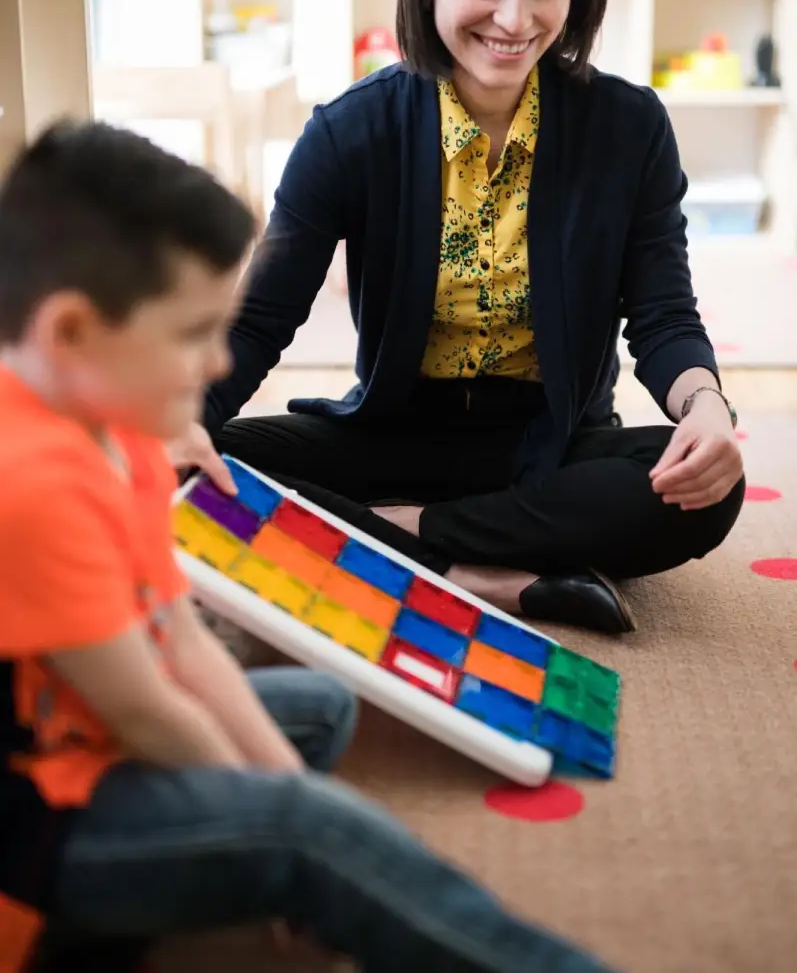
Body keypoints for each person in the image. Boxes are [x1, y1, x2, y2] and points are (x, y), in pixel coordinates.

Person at [0, 121, 613, 973]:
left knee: (317, 712)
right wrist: (281, 828)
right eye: (191, 334)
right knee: (307, 829)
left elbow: (177, 637)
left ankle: (152, 906)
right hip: (39, 826)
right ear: (69, 333)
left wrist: (269, 790)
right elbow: (144, 707)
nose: (217, 363)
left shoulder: (123, 426)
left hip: (97, 745)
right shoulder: (28, 483)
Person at [171, 0, 745, 636]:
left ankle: (401, 539)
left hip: (551, 444)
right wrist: (180, 427)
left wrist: (706, 409)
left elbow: (662, 314)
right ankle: (488, 576)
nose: (516, 19)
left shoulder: (628, 125)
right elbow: (263, 320)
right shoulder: (349, 132)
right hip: (392, 436)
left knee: (704, 488)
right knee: (198, 462)